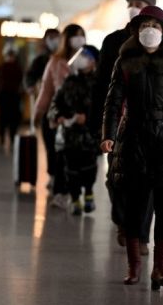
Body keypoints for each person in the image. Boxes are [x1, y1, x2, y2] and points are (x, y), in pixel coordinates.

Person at [100, 6, 163, 288]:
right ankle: (134, 268)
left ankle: (161, 269)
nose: (149, 30)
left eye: (154, 25)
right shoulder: (125, 62)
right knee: (135, 204)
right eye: (144, 25)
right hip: (132, 138)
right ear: (136, 30)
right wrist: (108, 134)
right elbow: (113, 102)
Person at [92, 0, 156, 250]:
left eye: (138, 4)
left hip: (152, 125)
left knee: (148, 181)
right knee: (116, 177)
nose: (133, 8)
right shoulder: (112, 41)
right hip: (117, 122)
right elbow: (100, 85)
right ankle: (122, 221)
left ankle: (140, 236)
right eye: (130, 4)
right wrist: (100, 124)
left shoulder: (161, 46)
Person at [36, 24, 86, 209]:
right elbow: (46, 89)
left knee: (78, 157)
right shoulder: (55, 61)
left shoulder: (87, 59)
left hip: (81, 116)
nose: (79, 39)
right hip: (60, 114)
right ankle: (60, 192)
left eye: (82, 35)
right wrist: (39, 111)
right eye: (75, 35)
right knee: (59, 154)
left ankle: (74, 192)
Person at [48, 45, 99, 216]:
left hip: (90, 137)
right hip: (69, 136)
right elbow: (55, 104)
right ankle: (76, 198)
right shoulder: (69, 82)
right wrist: (59, 116)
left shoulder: (99, 83)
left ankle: (89, 193)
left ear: (93, 61)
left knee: (89, 168)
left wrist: (89, 119)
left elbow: (105, 109)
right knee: (71, 169)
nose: (80, 58)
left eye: (84, 55)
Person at [25, 28, 61, 188]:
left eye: (56, 37)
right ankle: (53, 174)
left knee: (63, 144)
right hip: (47, 108)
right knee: (50, 142)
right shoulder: (41, 60)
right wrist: (31, 86)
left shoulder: (67, 57)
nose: (54, 40)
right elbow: (30, 76)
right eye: (50, 37)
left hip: (64, 108)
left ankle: (62, 176)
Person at [0, 48, 23, 147]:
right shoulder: (17, 67)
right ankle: (9, 137)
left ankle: (3, 137)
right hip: (12, 95)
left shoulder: (2, 66)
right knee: (11, 118)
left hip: (6, 95)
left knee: (4, 117)